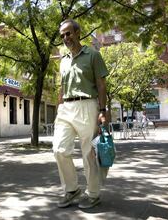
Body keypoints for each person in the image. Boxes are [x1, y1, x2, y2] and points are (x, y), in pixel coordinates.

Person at [52, 19, 109, 209]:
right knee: (59, 149)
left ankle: (93, 194)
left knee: (88, 154)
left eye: (68, 33)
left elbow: (101, 85)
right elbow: (61, 87)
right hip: (66, 108)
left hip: (87, 105)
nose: (66, 38)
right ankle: (71, 189)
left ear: (77, 33)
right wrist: (59, 107)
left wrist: (103, 110)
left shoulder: (93, 55)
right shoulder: (63, 60)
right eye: (62, 36)